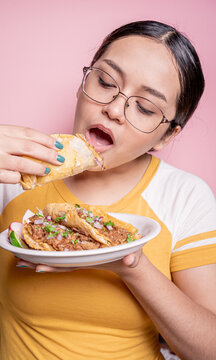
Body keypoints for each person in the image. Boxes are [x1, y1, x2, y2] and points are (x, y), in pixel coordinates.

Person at [0, 20, 215, 360]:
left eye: (145, 108)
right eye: (104, 82)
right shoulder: (16, 170)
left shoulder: (184, 197)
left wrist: (131, 265)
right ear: (82, 83)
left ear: (165, 137)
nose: (114, 110)